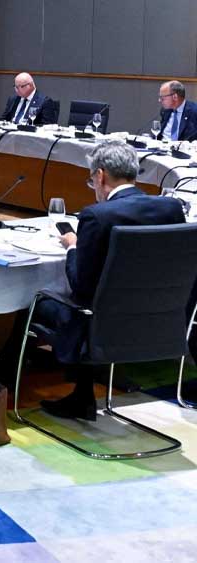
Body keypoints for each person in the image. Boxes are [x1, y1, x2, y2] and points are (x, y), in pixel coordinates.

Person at [31, 140, 185, 420]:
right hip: (160, 321)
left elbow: (80, 286)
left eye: (91, 180)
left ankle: (11, 383)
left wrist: (73, 247)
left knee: (34, 300)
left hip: (103, 326)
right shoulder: (171, 209)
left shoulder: (97, 216)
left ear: (100, 176)